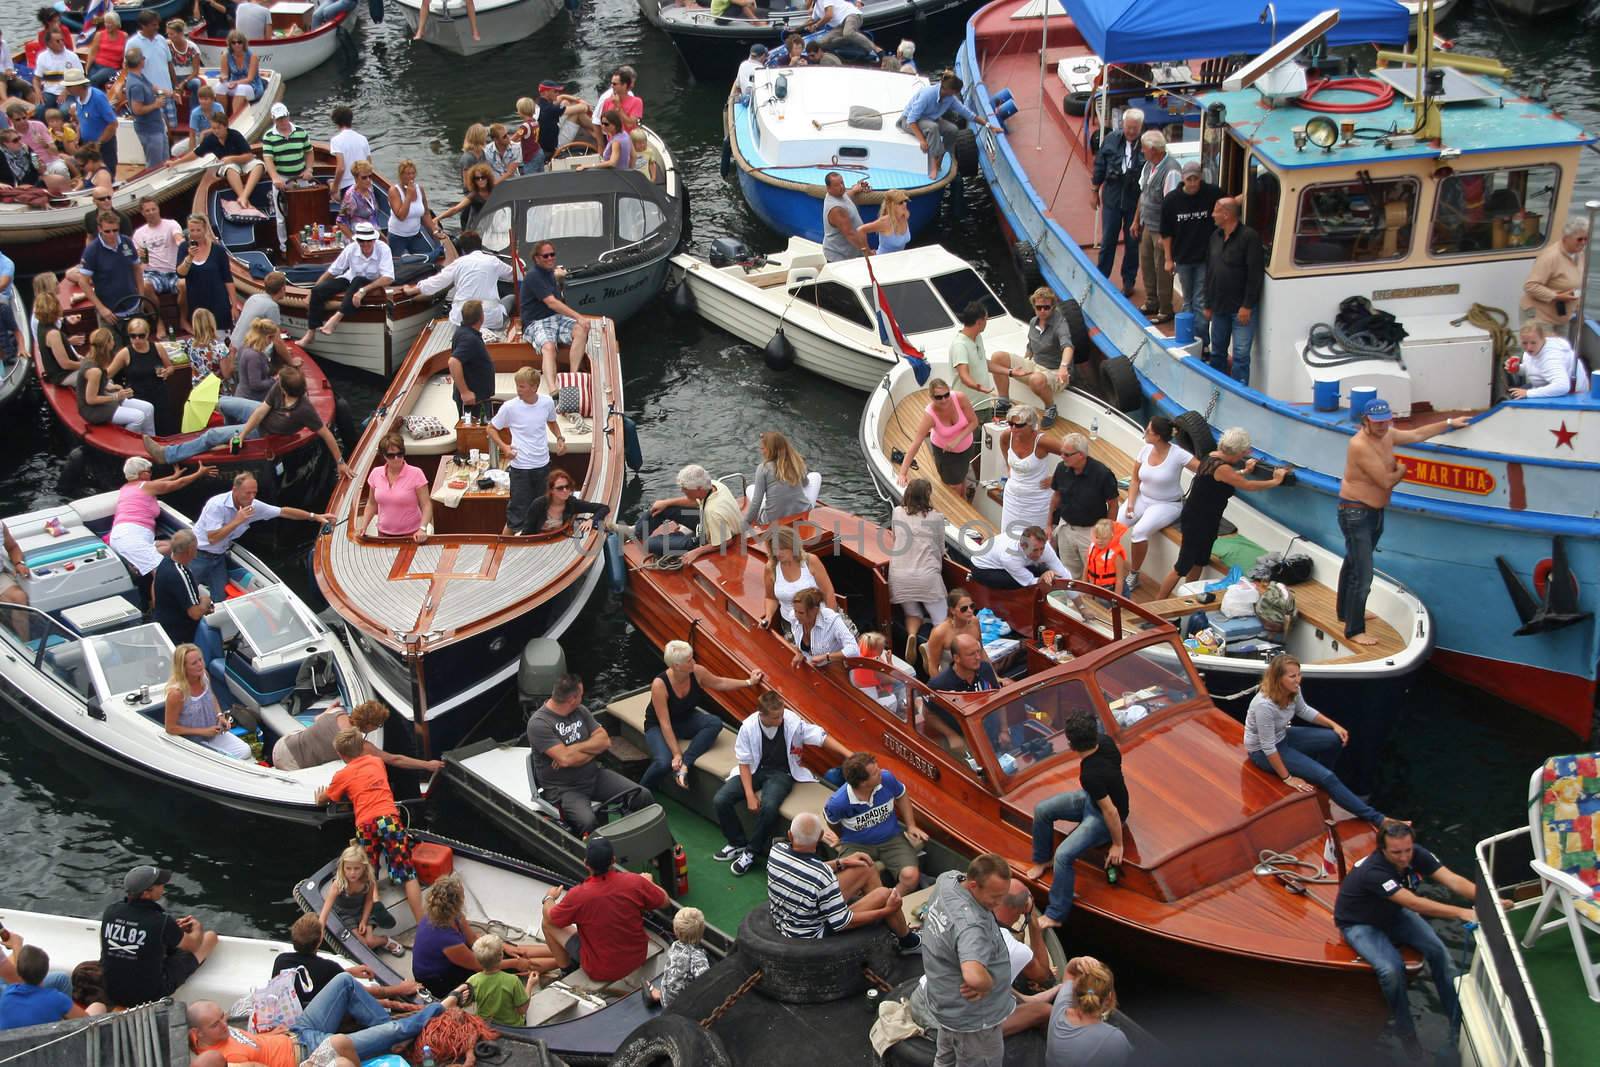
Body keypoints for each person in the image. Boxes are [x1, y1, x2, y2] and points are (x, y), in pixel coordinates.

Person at [1333, 822, 1496, 1058]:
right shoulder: (1374, 872)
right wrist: (1461, 912)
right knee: (1391, 970)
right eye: (1396, 853)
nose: (1404, 857)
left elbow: (1452, 880)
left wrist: (1489, 901)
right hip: (1361, 923)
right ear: (1382, 850)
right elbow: (1413, 903)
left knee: (1440, 954)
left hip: (1393, 913)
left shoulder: (1415, 854)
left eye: (1407, 850)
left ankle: (1458, 1024)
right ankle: (1406, 1033)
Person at [1334, 400, 1464, 644]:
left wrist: (1448, 423)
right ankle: (1354, 630)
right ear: (1365, 421)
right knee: (1363, 574)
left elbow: (1416, 434)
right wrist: (1402, 471)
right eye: (1377, 422)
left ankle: (1345, 612)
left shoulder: (1387, 434)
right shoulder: (1359, 445)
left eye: (1386, 421)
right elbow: (1385, 481)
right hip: (1355, 513)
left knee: (1353, 562)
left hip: (1373, 512)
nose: (1383, 426)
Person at [714, 692, 847, 876]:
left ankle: (751, 852)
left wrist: (848, 754)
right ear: (762, 715)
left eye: (782, 714)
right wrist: (750, 795)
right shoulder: (749, 727)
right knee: (721, 799)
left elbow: (819, 737)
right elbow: (744, 763)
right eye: (776, 717)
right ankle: (737, 843)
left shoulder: (791, 721)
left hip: (782, 773)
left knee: (769, 807)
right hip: (755, 770)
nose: (781, 719)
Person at [1245, 654, 1385, 826]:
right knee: (1328, 777)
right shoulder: (1263, 705)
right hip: (1262, 752)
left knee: (1334, 739)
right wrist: (1288, 778)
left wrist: (1334, 725)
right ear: (1278, 678)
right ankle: (1378, 818)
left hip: (1282, 736)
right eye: (1292, 676)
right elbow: (1268, 746)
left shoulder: (1293, 690)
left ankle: (1321, 779)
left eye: (1299, 674)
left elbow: (1304, 710)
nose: (1298, 680)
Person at [151, 366, 350, 485]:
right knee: (223, 403)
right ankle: (230, 441)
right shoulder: (278, 390)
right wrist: (242, 434)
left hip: (267, 431)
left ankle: (168, 455)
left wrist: (340, 462)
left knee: (211, 435)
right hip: (262, 418)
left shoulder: (303, 409)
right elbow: (261, 411)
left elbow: (325, 433)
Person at [1152, 428, 1286, 599]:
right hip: (1198, 521)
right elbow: (1248, 486)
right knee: (1182, 566)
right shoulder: (1222, 468)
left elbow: (1222, 478)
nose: (1243, 455)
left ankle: (1187, 596)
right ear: (1237, 452)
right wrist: (1275, 481)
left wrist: (1244, 471)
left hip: (1207, 519)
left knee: (1200, 560)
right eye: (1243, 452)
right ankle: (1157, 604)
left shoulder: (1212, 456)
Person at [1024, 710, 1128, 930]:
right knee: (1042, 810)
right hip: (1094, 800)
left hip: (1105, 815)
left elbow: (1110, 811)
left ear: (1071, 745)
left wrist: (1117, 845)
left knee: (1063, 856)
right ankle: (1042, 860)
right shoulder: (1106, 742)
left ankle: (1055, 914)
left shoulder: (1090, 774)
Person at [186, 980, 450, 1066]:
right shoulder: (222, 1060)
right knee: (396, 1029)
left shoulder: (210, 1031)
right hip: (309, 1052)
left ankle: (384, 1037)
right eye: (216, 1024)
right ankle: (442, 1008)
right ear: (197, 1034)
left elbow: (248, 1039)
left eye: (223, 1016)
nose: (224, 1023)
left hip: (297, 1032)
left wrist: (271, 1035)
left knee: (343, 982)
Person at [315, 728, 427, 925]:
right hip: (388, 819)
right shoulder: (377, 762)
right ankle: (421, 922)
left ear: (341, 755)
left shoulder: (342, 775)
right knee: (407, 873)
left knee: (369, 868)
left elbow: (325, 799)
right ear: (362, 748)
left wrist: (319, 798)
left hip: (366, 823)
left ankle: (375, 900)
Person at [767, 812, 920, 949]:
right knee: (885, 895)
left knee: (865, 866)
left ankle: (891, 925)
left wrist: (842, 862)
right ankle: (908, 941)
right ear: (820, 837)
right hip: (813, 935)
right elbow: (842, 923)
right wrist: (887, 910)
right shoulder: (822, 875)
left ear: (790, 835)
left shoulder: (776, 850)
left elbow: (803, 869)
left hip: (790, 918)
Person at [919, 853, 1013, 1066]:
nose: (999, 904)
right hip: (973, 1020)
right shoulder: (971, 926)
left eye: (1003, 896)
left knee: (945, 1057)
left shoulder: (948, 880)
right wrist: (987, 983)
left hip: (946, 1004)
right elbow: (972, 974)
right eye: (994, 897)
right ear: (973, 886)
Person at [526, 673, 651, 834]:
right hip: (565, 790)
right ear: (572, 698)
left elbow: (604, 741)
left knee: (642, 795)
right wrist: (591, 750)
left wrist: (572, 749)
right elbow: (565, 760)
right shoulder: (539, 724)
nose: (582, 698)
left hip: (594, 776)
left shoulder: (580, 710)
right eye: (581, 695)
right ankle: (602, 856)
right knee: (588, 822)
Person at [542, 835, 669, 987]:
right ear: (613, 860)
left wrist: (549, 898)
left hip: (600, 970)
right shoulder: (635, 882)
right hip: (637, 957)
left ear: (586, 864)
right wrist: (649, 883)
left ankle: (567, 971)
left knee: (546, 923)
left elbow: (552, 919)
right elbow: (665, 901)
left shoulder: (578, 895)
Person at [190, 473, 334, 598]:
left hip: (219, 557)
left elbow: (283, 511)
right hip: (197, 555)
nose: (252, 497)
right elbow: (212, 538)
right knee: (187, 591)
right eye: (248, 493)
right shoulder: (216, 506)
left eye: (254, 493)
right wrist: (237, 521)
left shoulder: (253, 506)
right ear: (235, 490)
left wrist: (314, 516)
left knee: (220, 595)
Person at [412, 874, 552, 1000]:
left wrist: (504, 946)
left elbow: (473, 939)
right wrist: (516, 963)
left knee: (507, 949)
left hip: (455, 958)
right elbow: (479, 965)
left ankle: (559, 951)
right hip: (439, 979)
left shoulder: (454, 915)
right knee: (507, 963)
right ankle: (565, 961)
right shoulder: (446, 938)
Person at [643, 640, 759, 792]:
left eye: (692, 657)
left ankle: (686, 764)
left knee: (715, 723)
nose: (694, 662)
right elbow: (665, 723)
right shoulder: (660, 685)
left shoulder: (697, 672)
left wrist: (749, 682)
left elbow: (720, 683)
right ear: (677, 666)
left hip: (685, 719)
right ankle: (640, 793)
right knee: (663, 763)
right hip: (658, 726)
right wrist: (676, 753)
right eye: (689, 660)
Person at [100, 865, 218, 1009]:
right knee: (210, 937)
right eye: (160, 884)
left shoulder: (110, 911)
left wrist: (173, 930)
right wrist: (197, 928)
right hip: (149, 994)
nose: (164, 886)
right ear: (146, 893)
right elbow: (194, 945)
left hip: (112, 990)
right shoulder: (160, 921)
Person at [823, 752, 927, 896]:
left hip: (892, 839)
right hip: (856, 845)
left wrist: (911, 825)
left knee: (911, 876)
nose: (881, 772)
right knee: (852, 883)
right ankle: (874, 903)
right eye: (875, 773)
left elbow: (901, 795)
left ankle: (889, 901)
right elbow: (832, 822)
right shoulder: (838, 803)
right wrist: (841, 838)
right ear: (863, 783)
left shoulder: (886, 779)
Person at [109, 457, 210, 603]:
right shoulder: (145, 486)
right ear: (142, 473)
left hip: (124, 535)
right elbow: (177, 485)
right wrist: (199, 473)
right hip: (131, 537)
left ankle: (136, 565)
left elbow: (157, 483)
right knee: (161, 572)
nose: (151, 474)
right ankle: (160, 609)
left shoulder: (127, 487)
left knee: (171, 547)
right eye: (149, 471)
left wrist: (174, 475)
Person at [272, 913, 420, 1008]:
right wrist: (401, 989)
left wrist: (349, 972)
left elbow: (311, 976)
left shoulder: (281, 961)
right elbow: (366, 992)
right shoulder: (328, 967)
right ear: (319, 941)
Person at [1115, 415, 1190, 591]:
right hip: (1142, 498)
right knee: (1116, 526)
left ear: (1157, 436)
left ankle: (1134, 574)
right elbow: (1134, 480)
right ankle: (1112, 568)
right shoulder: (1145, 449)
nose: (1145, 432)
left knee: (1139, 532)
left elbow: (1203, 469)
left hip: (1167, 504)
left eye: (1148, 430)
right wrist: (1131, 503)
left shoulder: (1178, 454)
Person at [487, 365, 565, 536]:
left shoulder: (547, 403)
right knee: (516, 516)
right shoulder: (509, 407)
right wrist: (505, 447)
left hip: (543, 466)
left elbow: (552, 422)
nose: (518, 390)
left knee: (543, 511)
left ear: (534, 387)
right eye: (517, 386)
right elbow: (491, 428)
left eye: (522, 386)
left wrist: (559, 438)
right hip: (520, 469)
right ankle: (503, 547)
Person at [276, 700, 441, 776]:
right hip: (291, 764)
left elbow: (317, 719)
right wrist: (427, 765)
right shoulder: (357, 744)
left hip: (282, 745)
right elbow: (395, 759)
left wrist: (329, 708)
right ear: (370, 725)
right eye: (379, 725)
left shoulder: (336, 712)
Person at [299, 221, 394, 344]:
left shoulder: (383, 249)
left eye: (369, 240)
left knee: (358, 280)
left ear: (374, 240)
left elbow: (388, 278)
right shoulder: (351, 248)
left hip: (372, 282)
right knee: (318, 290)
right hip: (350, 279)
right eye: (361, 241)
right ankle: (311, 332)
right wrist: (312, 293)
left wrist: (363, 291)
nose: (365, 244)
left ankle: (336, 318)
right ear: (357, 241)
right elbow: (333, 271)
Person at [949, 301, 1052, 412]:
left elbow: (983, 362)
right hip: (967, 408)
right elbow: (964, 376)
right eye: (986, 319)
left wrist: (1011, 372)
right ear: (979, 322)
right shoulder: (960, 346)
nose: (987, 322)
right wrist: (979, 387)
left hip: (983, 404)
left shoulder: (977, 337)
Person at [623, 463, 744, 557]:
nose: (682, 491)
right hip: (705, 521)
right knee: (665, 508)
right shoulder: (715, 485)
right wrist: (666, 503)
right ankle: (637, 531)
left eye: (685, 489)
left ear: (698, 489)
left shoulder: (713, 512)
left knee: (649, 545)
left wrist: (697, 552)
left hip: (708, 537)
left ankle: (682, 535)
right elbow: (694, 501)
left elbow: (726, 542)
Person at [1203, 197, 1264, 383]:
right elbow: (1210, 271)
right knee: (1218, 352)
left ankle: (1239, 392)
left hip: (1240, 311)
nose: (1212, 215)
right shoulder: (1215, 237)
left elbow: (1255, 274)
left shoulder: (1249, 238)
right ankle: (1216, 387)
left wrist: (1247, 305)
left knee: (1241, 355)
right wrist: (1208, 303)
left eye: (1215, 211)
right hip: (1219, 307)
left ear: (1226, 214)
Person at [404, 231, 511, 336]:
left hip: (461, 319)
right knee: (511, 298)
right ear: (480, 246)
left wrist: (412, 290)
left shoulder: (458, 263)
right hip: (490, 319)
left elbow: (435, 282)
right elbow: (515, 275)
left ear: (463, 250)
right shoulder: (493, 261)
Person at [898, 72, 999, 181]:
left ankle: (941, 157)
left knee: (952, 129)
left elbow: (968, 114)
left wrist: (989, 126)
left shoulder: (950, 99)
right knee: (933, 128)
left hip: (930, 119)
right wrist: (922, 140)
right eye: (956, 91)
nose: (957, 93)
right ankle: (933, 164)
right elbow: (911, 120)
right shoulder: (927, 95)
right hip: (910, 122)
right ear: (950, 90)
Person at [521, 239, 594, 388]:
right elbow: (551, 302)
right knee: (548, 347)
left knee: (582, 329)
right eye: (545, 256)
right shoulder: (533, 276)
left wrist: (558, 276)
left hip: (557, 319)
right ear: (536, 258)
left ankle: (573, 377)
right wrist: (579, 317)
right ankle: (553, 389)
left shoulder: (549, 272)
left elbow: (553, 281)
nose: (550, 258)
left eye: (552, 255)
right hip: (536, 323)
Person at [888, 477, 948, 657]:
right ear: (927, 496)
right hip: (926, 576)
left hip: (899, 575)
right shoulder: (936, 517)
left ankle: (912, 635)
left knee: (913, 613)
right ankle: (933, 649)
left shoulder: (897, 512)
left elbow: (895, 537)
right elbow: (940, 546)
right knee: (941, 620)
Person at [1049, 431, 1119, 581]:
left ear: (1080, 455)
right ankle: (1072, 602)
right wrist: (1049, 525)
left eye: (1067, 454)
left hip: (1091, 532)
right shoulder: (1061, 468)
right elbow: (1056, 497)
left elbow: (1113, 504)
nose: (1062, 457)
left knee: (1095, 574)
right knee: (1068, 573)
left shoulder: (1102, 474)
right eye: (1062, 453)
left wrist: (1107, 533)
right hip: (1066, 528)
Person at [1090, 108, 1143, 297]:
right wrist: (1095, 190)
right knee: (1108, 241)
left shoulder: (1146, 144)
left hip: (1134, 201)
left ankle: (1129, 282)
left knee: (1132, 242)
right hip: (1112, 197)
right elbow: (1100, 166)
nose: (1131, 132)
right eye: (1128, 127)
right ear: (1123, 125)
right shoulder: (1111, 140)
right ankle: (1101, 278)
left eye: (1135, 129)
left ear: (1140, 128)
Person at [165, 642, 251, 758]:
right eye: (194, 663)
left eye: (200, 660)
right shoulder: (176, 694)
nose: (200, 665)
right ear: (183, 668)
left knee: (245, 751)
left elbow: (211, 697)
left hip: (213, 732)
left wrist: (220, 716)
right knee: (231, 760)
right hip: (193, 740)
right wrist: (203, 731)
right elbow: (170, 728)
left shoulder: (204, 675)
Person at [317, 841, 405, 953]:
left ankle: (384, 940)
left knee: (370, 942)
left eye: (356, 868)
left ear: (364, 867)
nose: (352, 873)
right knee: (363, 944)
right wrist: (319, 932)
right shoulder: (338, 885)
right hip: (345, 914)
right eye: (348, 868)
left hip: (363, 910)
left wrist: (363, 921)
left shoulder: (369, 881)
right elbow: (325, 911)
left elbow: (368, 901)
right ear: (343, 867)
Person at [1044, 956, 1131, 1067]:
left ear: (1075, 989)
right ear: (1109, 998)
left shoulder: (1061, 1009)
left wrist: (1078, 961)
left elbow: (1069, 972)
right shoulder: (1115, 1039)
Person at [1160, 160, 1221, 318]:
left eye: (1196, 179)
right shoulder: (1171, 201)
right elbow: (1166, 232)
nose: (1193, 183)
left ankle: (1200, 337)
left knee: (1199, 298)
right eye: (1189, 179)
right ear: (1183, 179)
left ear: (1200, 178)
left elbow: (1228, 204)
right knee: (1188, 299)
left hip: (1204, 257)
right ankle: (1189, 334)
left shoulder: (1212, 193)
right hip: (1183, 257)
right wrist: (1168, 259)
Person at [1131, 130, 1180, 324]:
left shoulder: (1171, 170)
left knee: (1162, 269)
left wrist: (1166, 233)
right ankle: (1152, 301)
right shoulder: (1148, 166)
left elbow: (1172, 205)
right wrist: (1136, 220)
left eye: (1144, 148)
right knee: (1147, 263)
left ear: (1153, 149)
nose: (1142, 151)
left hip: (1161, 230)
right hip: (1147, 224)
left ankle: (1165, 308)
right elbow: (1143, 195)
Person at [898, 377, 979, 491]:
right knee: (954, 485)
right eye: (939, 397)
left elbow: (974, 422)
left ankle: (964, 496)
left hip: (966, 447)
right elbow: (916, 443)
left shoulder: (960, 398)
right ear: (931, 398)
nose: (944, 399)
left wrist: (957, 440)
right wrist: (903, 473)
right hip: (945, 452)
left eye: (946, 395)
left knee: (962, 477)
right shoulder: (930, 416)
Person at [998, 405, 1067, 539]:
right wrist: (1009, 466)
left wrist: (1056, 479)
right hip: (1012, 498)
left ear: (1031, 425)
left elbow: (1072, 456)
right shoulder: (1007, 435)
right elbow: (1003, 444)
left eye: (1018, 425)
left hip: (1037, 501)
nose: (1013, 429)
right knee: (1008, 538)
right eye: (1010, 424)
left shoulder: (1043, 441)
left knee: (1035, 541)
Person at [77, 209, 150, 327]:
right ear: (100, 229)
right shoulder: (92, 250)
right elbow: (83, 281)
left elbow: (136, 268)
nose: (112, 234)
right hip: (110, 312)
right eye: (107, 231)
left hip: (133, 305)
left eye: (115, 230)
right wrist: (101, 309)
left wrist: (141, 296)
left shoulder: (127, 242)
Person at [78, 327, 157, 436]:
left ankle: (151, 439)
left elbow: (96, 384)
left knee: (148, 408)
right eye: (112, 339)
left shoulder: (96, 359)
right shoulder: (94, 371)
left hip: (104, 399)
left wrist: (110, 386)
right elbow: (91, 399)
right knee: (138, 417)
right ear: (109, 343)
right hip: (93, 410)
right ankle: (129, 444)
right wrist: (116, 396)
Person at [355, 432, 432, 542]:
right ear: (383, 456)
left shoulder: (416, 473)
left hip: (412, 535)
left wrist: (422, 529)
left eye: (400, 454)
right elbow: (371, 504)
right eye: (391, 455)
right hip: (383, 534)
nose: (396, 458)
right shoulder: (375, 473)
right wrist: (363, 526)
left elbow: (426, 505)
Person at [759, 524, 834, 629]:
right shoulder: (771, 567)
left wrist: (830, 623)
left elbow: (828, 592)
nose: (778, 553)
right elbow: (770, 598)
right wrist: (768, 616)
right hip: (791, 625)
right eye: (775, 549)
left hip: (819, 620)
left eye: (782, 549)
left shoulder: (811, 561)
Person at [1023, 288, 1083, 415]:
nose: (1043, 311)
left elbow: (1067, 346)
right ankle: (1003, 401)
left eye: (1046, 307)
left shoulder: (1060, 324)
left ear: (1053, 307)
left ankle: (1050, 408)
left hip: (1054, 371)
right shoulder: (1033, 322)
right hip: (1037, 365)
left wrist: (1063, 367)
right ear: (1034, 307)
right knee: (998, 357)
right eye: (1039, 307)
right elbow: (1031, 343)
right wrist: (1028, 353)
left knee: (1036, 380)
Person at [1522, 216, 1589, 329]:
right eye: (1579, 239)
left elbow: (1577, 283)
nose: (1583, 243)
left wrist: (1578, 308)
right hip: (1540, 316)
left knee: (1562, 346)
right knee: (1545, 347)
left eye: (1586, 239)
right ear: (1565, 238)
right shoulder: (1550, 257)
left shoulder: (1580, 254)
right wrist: (1556, 296)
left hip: (1561, 315)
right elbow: (1530, 286)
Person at [177, 214, 238, 334]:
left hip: (218, 299)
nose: (195, 233)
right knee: (202, 337)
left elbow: (227, 278)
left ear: (205, 229)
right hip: (197, 301)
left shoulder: (218, 250)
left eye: (198, 230)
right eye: (192, 230)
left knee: (221, 335)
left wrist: (234, 306)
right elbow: (180, 273)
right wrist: (190, 257)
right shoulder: (184, 247)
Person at [0, 946, 84, 1029]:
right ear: (46, 971)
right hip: (50, 1041)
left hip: (11, 1042)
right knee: (96, 1007)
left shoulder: (5, 995)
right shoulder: (58, 999)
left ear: (18, 971)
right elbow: (88, 1021)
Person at [132, 197, 182, 335]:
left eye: (154, 209)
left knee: (184, 284)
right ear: (143, 213)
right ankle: (158, 321)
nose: (151, 212)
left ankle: (183, 319)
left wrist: (180, 242)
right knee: (145, 284)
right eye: (147, 210)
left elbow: (178, 236)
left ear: (158, 209)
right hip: (153, 272)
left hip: (174, 271)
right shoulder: (139, 234)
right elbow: (141, 259)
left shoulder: (171, 224)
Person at [150, 530, 209, 647]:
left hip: (162, 624)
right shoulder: (181, 574)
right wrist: (205, 601)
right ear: (190, 551)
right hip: (180, 636)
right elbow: (195, 613)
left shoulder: (164, 563)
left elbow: (154, 586)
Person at [969, 525, 1071, 591]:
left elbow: (1063, 573)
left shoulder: (1045, 547)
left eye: (1042, 549)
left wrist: (1081, 607)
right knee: (1020, 584)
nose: (1040, 554)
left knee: (1043, 570)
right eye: (1035, 550)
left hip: (1003, 561)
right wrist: (1044, 576)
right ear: (1023, 546)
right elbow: (1030, 583)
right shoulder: (1009, 557)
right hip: (982, 569)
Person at [744, 429, 812, 526]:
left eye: (763, 449)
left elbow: (756, 502)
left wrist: (746, 523)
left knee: (750, 488)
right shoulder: (796, 461)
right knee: (815, 476)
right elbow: (805, 483)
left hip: (773, 519)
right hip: (802, 511)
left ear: (771, 450)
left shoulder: (763, 468)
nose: (761, 452)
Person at [465, 934, 536, 1026]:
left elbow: (467, 1002)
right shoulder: (513, 981)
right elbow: (522, 1010)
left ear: (478, 960)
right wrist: (530, 984)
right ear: (501, 956)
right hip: (513, 1027)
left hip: (486, 1025)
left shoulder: (472, 981)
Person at [1510, 319, 1589, 399]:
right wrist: (1518, 369)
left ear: (1543, 339)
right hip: (1546, 386)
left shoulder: (1551, 357)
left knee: (1519, 395)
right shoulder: (1532, 351)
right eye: (1524, 343)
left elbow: (1562, 386)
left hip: (1573, 396)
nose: (1528, 347)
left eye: (1533, 343)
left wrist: (1528, 393)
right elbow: (1537, 369)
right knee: (1515, 393)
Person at [649, 907, 709, 1007]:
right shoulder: (698, 957)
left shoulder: (674, 946)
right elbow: (706, 982)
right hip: (682, 1007)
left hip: (666, 999)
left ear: (675, 930)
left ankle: (659, 995)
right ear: (702, 931)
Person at [786, 586, 857, 671]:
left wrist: (826, 657)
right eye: (795, 610)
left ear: (815, 610)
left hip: (834, 668)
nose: (796, 616)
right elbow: (799, 645)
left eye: (801, 613)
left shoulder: (832, 621)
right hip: (810, 668)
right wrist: (799, 652)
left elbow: (853, 649)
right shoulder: (793, 617)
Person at [521, 467, 608, 536]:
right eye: (560, 488)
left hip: (560, 540)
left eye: (567, 486)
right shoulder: (538, 504)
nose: (565, 490)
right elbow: (527, 533)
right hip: (538, 542)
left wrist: (591, 520)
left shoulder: (571, 502)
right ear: (551, 490)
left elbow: (603, 508)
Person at [122, 47, 171, 169]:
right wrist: (156, 104)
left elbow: (152, 87)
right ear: (141, 61)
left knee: (164, 161)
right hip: (149, 130)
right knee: (154, 165)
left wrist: (169, 93)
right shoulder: (136, 85)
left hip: (156, 126)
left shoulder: (139, 77)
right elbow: (137, 110)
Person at [924, 590, 987, 677]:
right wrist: (943, 689)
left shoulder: (974, 621)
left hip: (976, 674)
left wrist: (995, 677)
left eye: (972, 606)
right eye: (964, 608)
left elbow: (982, 651)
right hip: (951, 680)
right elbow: (933, 667)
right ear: (953, 610)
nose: (970, 611)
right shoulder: (939, 632)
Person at [386, 158, 440, 258]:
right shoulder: (394, 191)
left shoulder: (420, 189)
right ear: (401, 175)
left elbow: (425, 213)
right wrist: (409, 196)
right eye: (407, 174)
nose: (411, 176)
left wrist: (434, 230)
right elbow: (401, 216)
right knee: (400, 264)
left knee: (432, 256)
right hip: (397, 236)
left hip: (415, 234)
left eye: (413, 173)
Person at [230, 270, 289, 358]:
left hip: (233, 346)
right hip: (244, 354)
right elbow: (277, 340)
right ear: (282, 289)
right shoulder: (272, 306)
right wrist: (291, 361)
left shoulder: (254, 297)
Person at [32, 290, 83, 387]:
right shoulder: (53, 334)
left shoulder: (41, 325)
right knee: (99, 374)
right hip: (63, 376)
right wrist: (87, 364)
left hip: (61, 374)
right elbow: (65, 364)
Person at [30, 30, 83, 122]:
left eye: (62, 40)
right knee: (39, 109)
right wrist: (38, 92)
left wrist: (66, 91)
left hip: (69, 92)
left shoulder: (72, 56)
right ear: (49, 44)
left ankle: (65, 131)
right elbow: (36, 79)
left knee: (64, 111)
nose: (61, 43)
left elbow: (80, 77)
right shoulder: (42, 57)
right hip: (49, 92)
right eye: (57, 41)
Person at [821, 171, 871, 262]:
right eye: (837, 185)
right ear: (828, 188)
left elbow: (846, 196)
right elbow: (850, 234)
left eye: (842, 183)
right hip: (839, 257)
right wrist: (868, 252)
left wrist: (855, 190)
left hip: (849, 254)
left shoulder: (839, 194)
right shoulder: (836, 209)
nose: (842, 187)